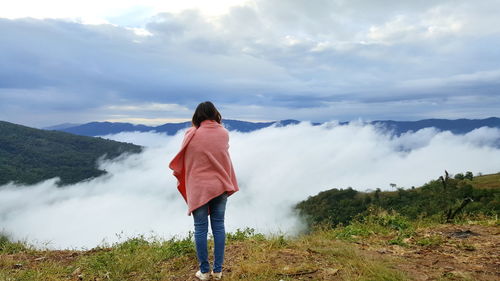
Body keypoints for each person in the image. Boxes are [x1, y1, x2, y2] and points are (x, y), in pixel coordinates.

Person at [169, 101, 239, 280]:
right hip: (221, 185)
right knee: (219, 227)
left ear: (197, 115)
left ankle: (205, 271)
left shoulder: (191, 134)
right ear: (215, 114)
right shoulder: (224, 133)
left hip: (199, 188)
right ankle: (218, 270)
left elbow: (185, 158)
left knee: (200, 229)